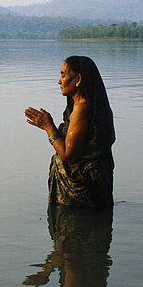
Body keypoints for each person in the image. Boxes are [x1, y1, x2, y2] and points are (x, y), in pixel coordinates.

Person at [24, 56, 115, 208]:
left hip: (80, 195)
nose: (59, 81)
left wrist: (49, 127)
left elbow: (70, 156)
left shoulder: (81, 109)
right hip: (92, 190)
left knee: (76, 230)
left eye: (63, 74)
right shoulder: (86, 107)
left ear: (78, 79)